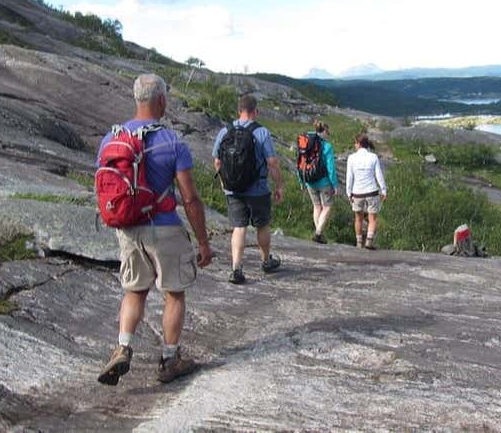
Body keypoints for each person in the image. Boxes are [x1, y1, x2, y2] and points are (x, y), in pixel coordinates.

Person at [97, 74, 214, 385]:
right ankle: (170, 359)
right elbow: (189, 198)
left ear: (137, 99)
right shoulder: (172, 142)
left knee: (135, 290)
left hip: (128, 228)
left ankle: (122, 347)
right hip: (164, 229)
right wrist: (203, 242)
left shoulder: (111, 139)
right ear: (161, 100)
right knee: (174, 293)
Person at [212, 94, 284, 284]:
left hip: (233, 189)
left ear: (239, 111)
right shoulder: (261, 133)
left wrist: (223, 182)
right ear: (256, 111)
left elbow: (217, 161)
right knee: (262, 224)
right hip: (258, 188)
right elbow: (272, 162)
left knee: (239, 227)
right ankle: (266, 261)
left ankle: (236, 268)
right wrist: (279, 185)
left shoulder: (224, 131)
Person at [345, 134, 387, 250]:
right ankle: (369, 241)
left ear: (358, 144)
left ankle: (359, 243)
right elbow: (379, 175)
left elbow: (349, 177)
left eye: (355, 143)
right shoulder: (373, 157)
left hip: (357, 192)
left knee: (358, 218)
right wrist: (383, 190)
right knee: (372, 218)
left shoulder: (351, 158)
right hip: (372, 192)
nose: (354, 145)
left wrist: (349, 193)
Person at [301, 120, 338, 244]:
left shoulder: (305, 143)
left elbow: (300, 163)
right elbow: (330, 167)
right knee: (327, 207)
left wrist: (302, 181)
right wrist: (335, 184)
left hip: (310, 181)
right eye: (328, 132)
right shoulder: (327, 146)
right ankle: (318, 233)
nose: (328, 134)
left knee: (316, 206)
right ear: (324, 131)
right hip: (324, 182)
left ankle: (318, 233)